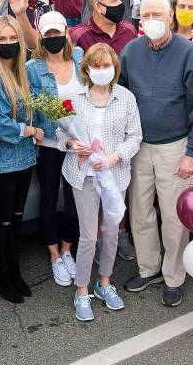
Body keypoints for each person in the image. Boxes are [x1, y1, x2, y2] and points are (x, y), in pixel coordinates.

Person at [120, 0, 193, 307]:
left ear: (171, 16)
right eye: (145, 14)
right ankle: (149, 268)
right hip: (139, 145)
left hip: (176, 146)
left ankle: (173, 276)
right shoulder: (131, 51)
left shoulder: (189, 53)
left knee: (174, 217)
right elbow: (120, 96)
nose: (151, 19)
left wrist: (192, 153)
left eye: (157, 13)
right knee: (140, 212)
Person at [55, 44, 142, 321]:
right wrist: (72, 143)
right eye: (97, 66)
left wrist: (116, 157)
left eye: (107, 66)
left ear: (114, 68)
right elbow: (59, 134)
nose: (102, 70)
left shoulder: (126, 98)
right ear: (87, 69)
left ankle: (105, 282)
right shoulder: (74, 98)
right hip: (84, 176)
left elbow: (135, 136)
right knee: (89, 235)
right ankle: (82, 290)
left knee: (112, 232)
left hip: (114, 175)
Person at [0, 16, 41, 304]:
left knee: (17, 217)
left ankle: (15, 268)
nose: (8, 44)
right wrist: (30, 130)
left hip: (26, 157)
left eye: (12, 39)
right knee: (3, 220)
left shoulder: (21, 72)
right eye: (2, 40)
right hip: (2, 160)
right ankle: (0, 273)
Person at [27, 12, 83, 287]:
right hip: (49, 144)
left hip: (79, 145)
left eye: (57, 33)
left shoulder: (80, 57)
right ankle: (53, 256)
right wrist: (68, 113)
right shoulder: (33, 68)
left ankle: (67, 248)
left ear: (65, 32)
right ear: (41, 36)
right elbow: (37, 105)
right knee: (48, 199)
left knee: (74, 205)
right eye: (47, 34)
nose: (53, 38)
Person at [69, 0, 137, 55]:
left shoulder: (129, 29)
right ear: (98, 7)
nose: (120, 3)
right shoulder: (78, 36)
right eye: (115, 0)